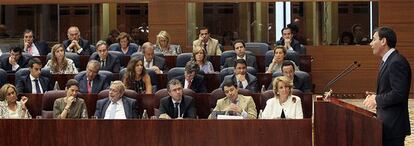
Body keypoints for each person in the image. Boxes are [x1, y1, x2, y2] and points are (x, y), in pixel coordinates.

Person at [363, 27, 411, 146]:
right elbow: (391, 89)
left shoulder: (396, 62)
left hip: (394, 126)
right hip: (387, 123)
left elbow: (399, 94)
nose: (371, 43)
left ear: (383, 41)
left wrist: (377, 99)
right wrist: (376, 96)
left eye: (374, 39)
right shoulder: (387, 60)